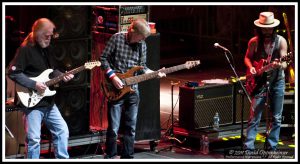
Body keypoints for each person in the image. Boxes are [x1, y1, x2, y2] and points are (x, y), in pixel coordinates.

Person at [99, 18, 166, 159]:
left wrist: (155, 74)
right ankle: (110, 155)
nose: (142, 40)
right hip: (115, 88)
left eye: (144, 38)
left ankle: (127, 156)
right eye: (140, 37)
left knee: (131, 127)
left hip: (133, 90)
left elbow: (143, 68)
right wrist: (113, 77)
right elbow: (103, 59)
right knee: (114, 128)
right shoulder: (116, 39)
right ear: (132, 31)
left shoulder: (142, 44)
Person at [8, 18, 74, 159]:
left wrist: (62, 76)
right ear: (37, 33)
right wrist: (34, 84)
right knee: (34, 139)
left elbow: (53, 70)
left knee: (62, 130)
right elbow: (13, 72)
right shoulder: (25, 49)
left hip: (48, 101)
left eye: (51, 36)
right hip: (32, 103)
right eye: (47, 36)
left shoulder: (47, 48)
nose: (49, 39)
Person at [243, 12, 288, 151]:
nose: (267, 31)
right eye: (265, 28)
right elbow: (247, 58)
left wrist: (280, 65)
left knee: (276, 117)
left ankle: (271, 147)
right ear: (260, 28)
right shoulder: (254, 41)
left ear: (274, 28)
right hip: (258, 82)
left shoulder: (281, 41)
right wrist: (251, 68)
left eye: (270, 28)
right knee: (254, 116)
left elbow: (286, 62)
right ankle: (248, 148)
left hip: (277, 81)